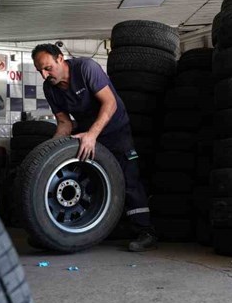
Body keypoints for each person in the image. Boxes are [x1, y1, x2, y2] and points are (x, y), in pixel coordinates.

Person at [31, 43, 157, 252]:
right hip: (86, 133)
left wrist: (92, 135)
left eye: (47, 68)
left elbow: (110, 103)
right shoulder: (50, 88)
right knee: (91, 180)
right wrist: (46, 156)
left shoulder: (86, 68)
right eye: (40, 71)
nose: (44, 75)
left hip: (115, 130)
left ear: (60, 59)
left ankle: (146, 232)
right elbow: (64, 124)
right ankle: (66, 234)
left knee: (128, 180)